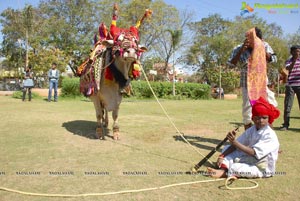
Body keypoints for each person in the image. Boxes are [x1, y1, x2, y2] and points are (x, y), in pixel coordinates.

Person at [207, 97, 280, 178]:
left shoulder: (269, 135)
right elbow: (236, 145)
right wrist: (221, 156)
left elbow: (253, 152)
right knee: (227, 149)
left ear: (268, 118)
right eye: (257, 118)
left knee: (235, 167)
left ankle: (224, 173)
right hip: (250, 158)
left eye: (264, 118)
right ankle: (224, 169)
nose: (261, 120)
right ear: (253, 118)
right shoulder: (252, 129)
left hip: (262, 167)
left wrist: (234, 142)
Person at [228, 27, 278, 130]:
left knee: (268, 107)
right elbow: (231, 64)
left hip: (262, 84)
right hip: (247, 84)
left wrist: (260, 48)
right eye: (248, 38)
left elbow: (274, 59)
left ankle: (268, 137)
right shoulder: (239, 48)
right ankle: (249, 137)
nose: (250, 40)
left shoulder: (265, 45)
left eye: (253, 38)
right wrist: (242, 50)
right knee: (248, 111)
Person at [279, 45, 300, 131]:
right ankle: (285, 125)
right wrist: (294, 60)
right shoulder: (289, 61)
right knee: (288, 105)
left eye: (299, 51)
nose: (297, 53)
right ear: (292, 52)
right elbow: (288, 69)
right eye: (295, 51)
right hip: (290, 85)